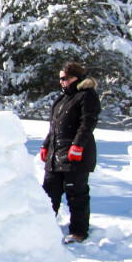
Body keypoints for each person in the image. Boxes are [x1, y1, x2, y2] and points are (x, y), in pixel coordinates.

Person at [40, 61, 101, 244]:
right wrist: (46, 145)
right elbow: (54, 128)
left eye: (64, 78)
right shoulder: (61, 100)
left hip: (76, 157)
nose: (61, 82)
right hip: (56, 155)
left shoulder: (86, 96)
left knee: (76, 195)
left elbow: (87, 123)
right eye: (60, 78)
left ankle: (78, 231)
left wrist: (78, 145)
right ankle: (44, 228)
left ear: (75, 78)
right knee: (49, 193)